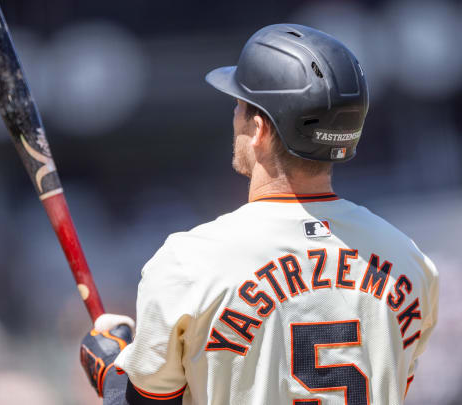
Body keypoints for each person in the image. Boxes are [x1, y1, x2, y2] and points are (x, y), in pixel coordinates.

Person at [79, 24, 439, 405]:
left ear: (259, 129)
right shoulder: (411, 262)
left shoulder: (188, 263)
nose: (234, 115)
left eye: (239, 104)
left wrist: (112, 373)